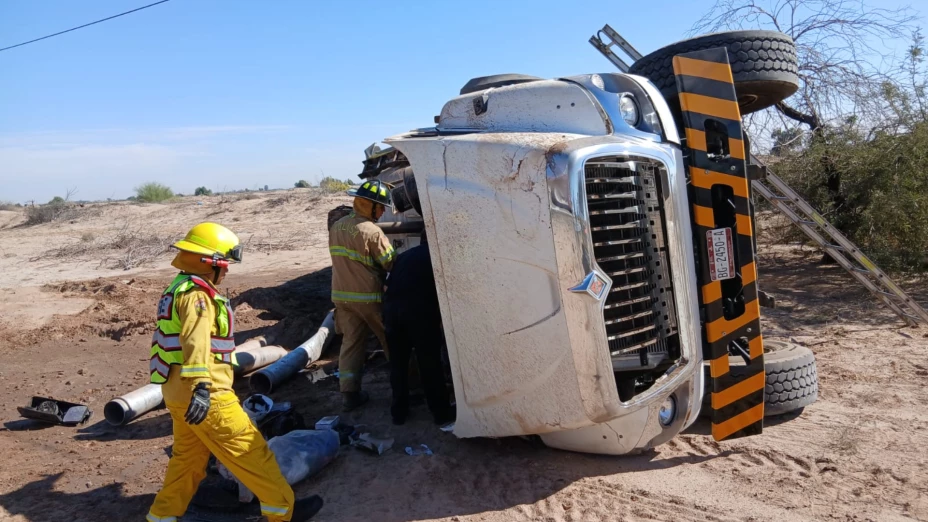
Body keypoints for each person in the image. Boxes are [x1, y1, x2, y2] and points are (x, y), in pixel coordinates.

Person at [147, 222, 323, 522]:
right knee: (251, 450)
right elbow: (196, 341)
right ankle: (283, 510)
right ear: (209, 263)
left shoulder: (177, 287)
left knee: (187, 462)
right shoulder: (199, 297)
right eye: (224, 264)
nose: (226, 271)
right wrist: (202, 386)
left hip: (175, 390)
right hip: (205, 393)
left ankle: (162, 516)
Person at [328, 179, 396, 411]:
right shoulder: (372, 231)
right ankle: (410, 385)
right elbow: (390, 264)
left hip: (341, 297)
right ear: (370, 206)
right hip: (369, 298)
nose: (384, 211)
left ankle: (349, 394)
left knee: (351, 344)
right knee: (393, 341)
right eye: (381, 206)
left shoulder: (337, 227)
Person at [382, 230, 455, 426]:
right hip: (418, 315)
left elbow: (387, 286)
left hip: (392, 313)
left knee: (398, 364)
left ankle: (398, 413)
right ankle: (441, 413)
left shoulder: (405, 256)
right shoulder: (439, 258)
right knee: (429, 364)